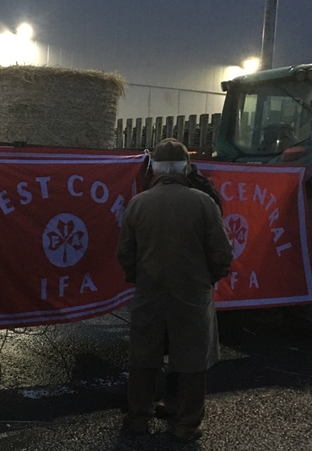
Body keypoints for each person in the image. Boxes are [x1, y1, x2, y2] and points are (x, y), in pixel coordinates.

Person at [117, 138, 233, 442]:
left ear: (154, 168)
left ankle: (138, 418)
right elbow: (222, 252)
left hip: (149, 289)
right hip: (193, 293)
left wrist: (139, 278)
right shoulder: (203, 202)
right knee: (192, 359)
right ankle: (186, 425)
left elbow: (125, 253)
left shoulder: (138, 203)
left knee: (144, 355)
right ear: (186, 167)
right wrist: (208, 278)